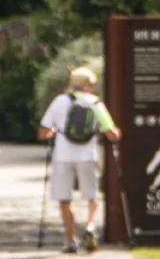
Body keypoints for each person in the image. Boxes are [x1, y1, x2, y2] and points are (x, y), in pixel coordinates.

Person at [39, 67, 121, 254]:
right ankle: (90, 226)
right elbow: (112, 133)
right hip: (87, 156)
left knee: (64, 199)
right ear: (88, 86)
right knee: (92, 196)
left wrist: (52, 133)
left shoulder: (59, 101)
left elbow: (43, 132)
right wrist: (113, 132)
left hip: (62, 156)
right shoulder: (95, 103)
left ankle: (71, 241)